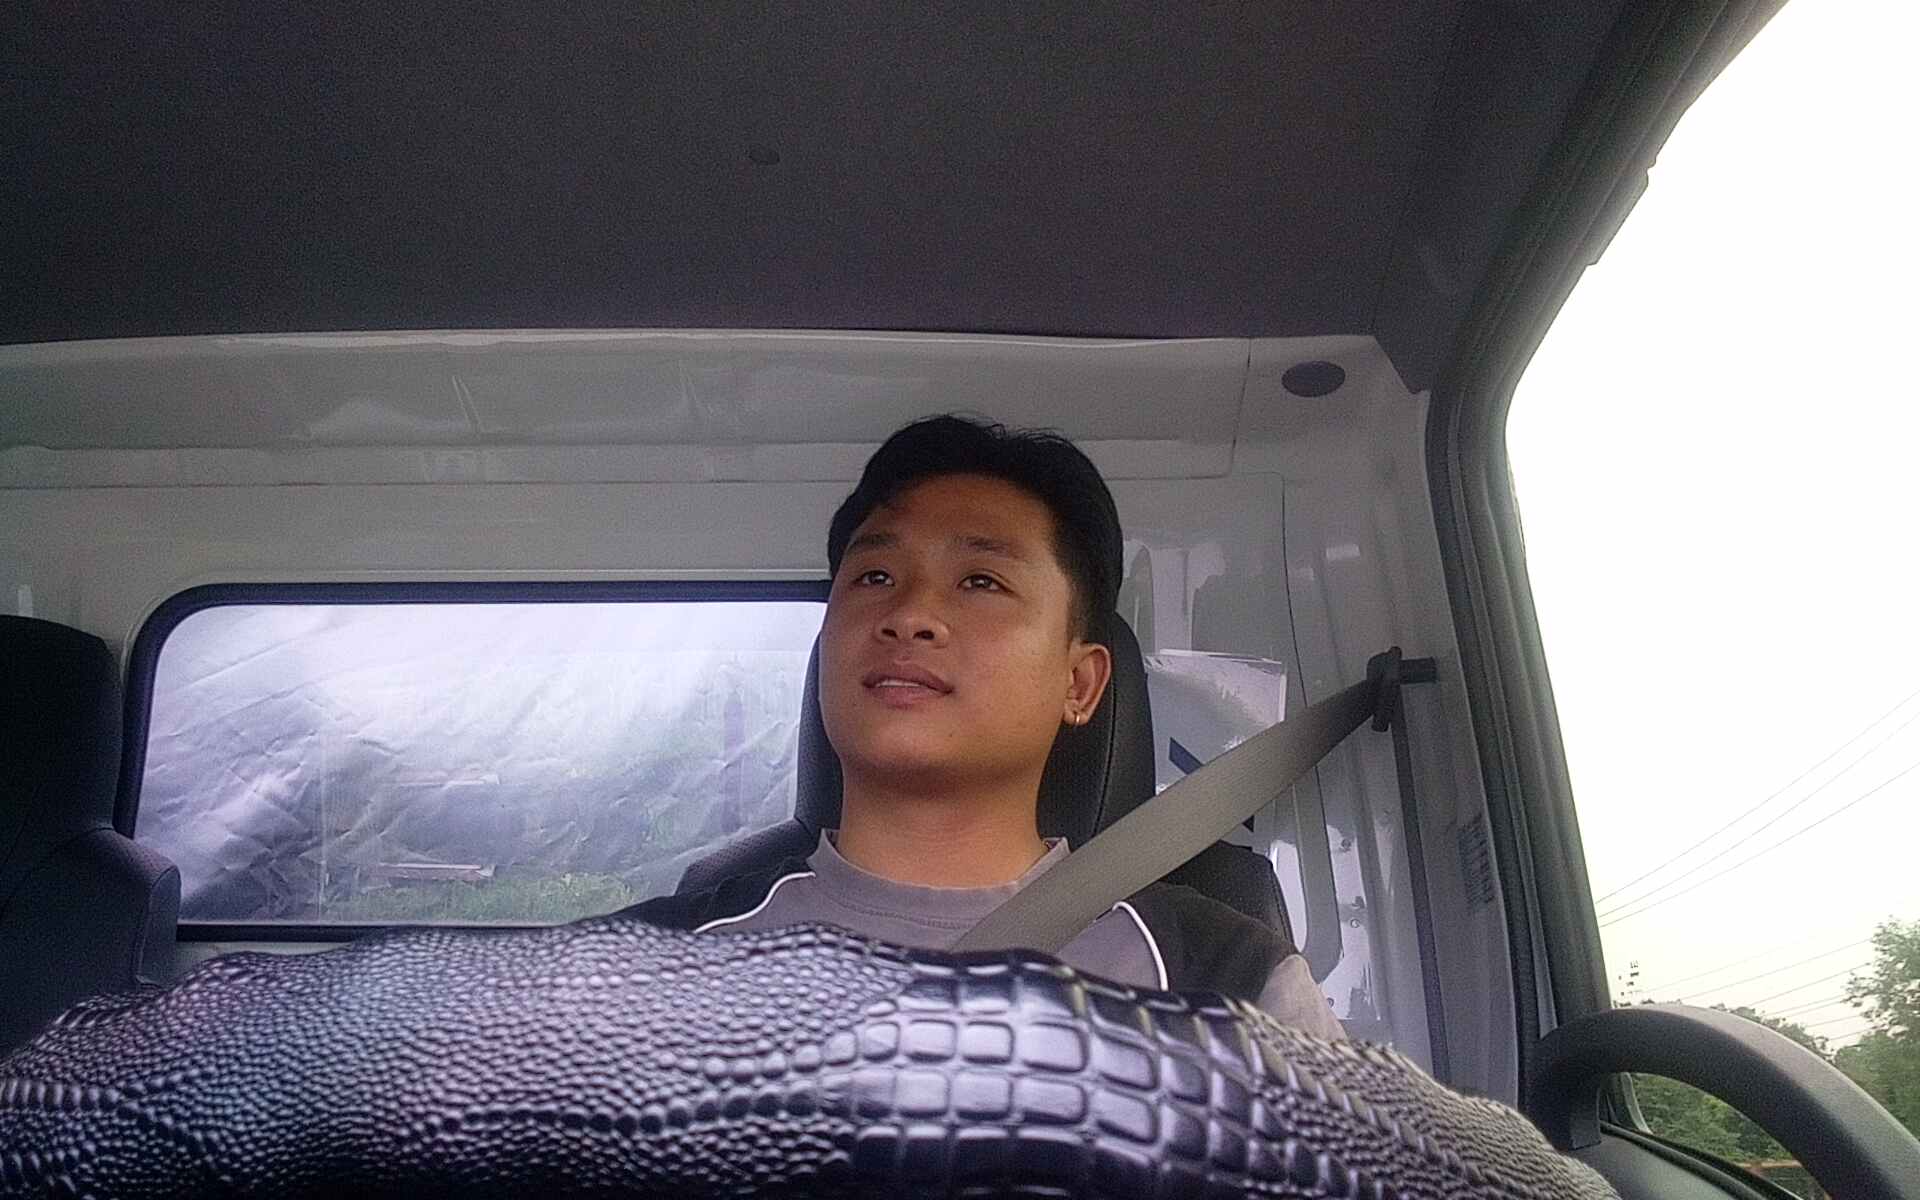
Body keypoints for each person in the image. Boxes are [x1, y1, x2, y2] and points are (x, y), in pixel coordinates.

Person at [632, 416, 1342, 1038]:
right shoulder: (649, 973)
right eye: (874, 576)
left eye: (981, 582)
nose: (909, 615)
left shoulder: (1228, 981)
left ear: (1079, 683)